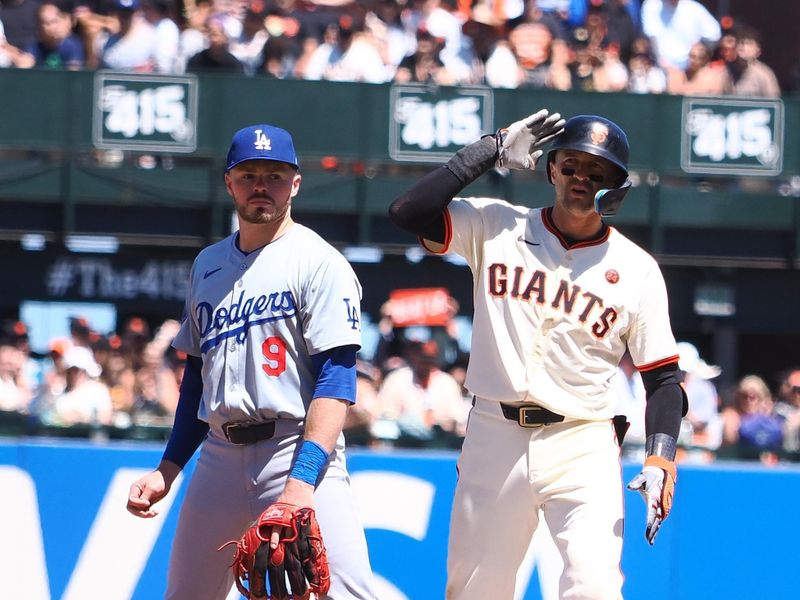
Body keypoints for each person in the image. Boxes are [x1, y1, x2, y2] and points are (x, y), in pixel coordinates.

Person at [389, 110, 687, 598]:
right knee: (474, 590)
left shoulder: (637, 269)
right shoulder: (496, 225)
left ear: (617, 187)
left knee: (594, 588)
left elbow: (663, 378)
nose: (580, 179)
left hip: (584, 440)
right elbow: (407, 211)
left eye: (597, 173)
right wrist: (491, 149)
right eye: (570, 166)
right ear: (550, 169)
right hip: (494, 432)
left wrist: (660, 458)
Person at [126, 123, 376, 599]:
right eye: (249, 174)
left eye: (275, 175)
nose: (262, 184)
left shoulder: (319, 262)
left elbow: (337, 379)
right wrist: (168, 468)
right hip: (218, 455)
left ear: (295, 183)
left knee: (345, 593)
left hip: (294, 449)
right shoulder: (208, 264)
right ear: (229, 183)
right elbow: (197, 378)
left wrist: (302, 483)